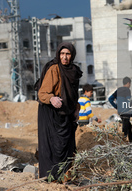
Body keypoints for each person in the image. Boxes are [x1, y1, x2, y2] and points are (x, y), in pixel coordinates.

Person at [37, 42, 82, 180]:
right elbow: (42, 93)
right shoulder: (54, 69)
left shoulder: (74, 71)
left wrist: (76, 109)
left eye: (68, 54)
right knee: (53, 146)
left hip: (66, 113)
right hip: (51, 112)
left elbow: (73, 95)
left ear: (72, 55)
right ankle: (50, 176)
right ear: (58, 54)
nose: (65, 57)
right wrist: (52, 99)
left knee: (68, 145)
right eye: (62, 54)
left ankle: (66, 175)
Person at [108, 77, 132, 143]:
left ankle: (131, 142)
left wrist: (116, 106)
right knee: (125, 129)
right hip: (126, 112)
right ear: (128, 83)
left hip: (121, 112)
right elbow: (128, 101)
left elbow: (110, 99)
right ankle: (123, 142)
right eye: (130, 84)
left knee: (129, 126)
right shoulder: (127, 90)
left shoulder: (118, 90)